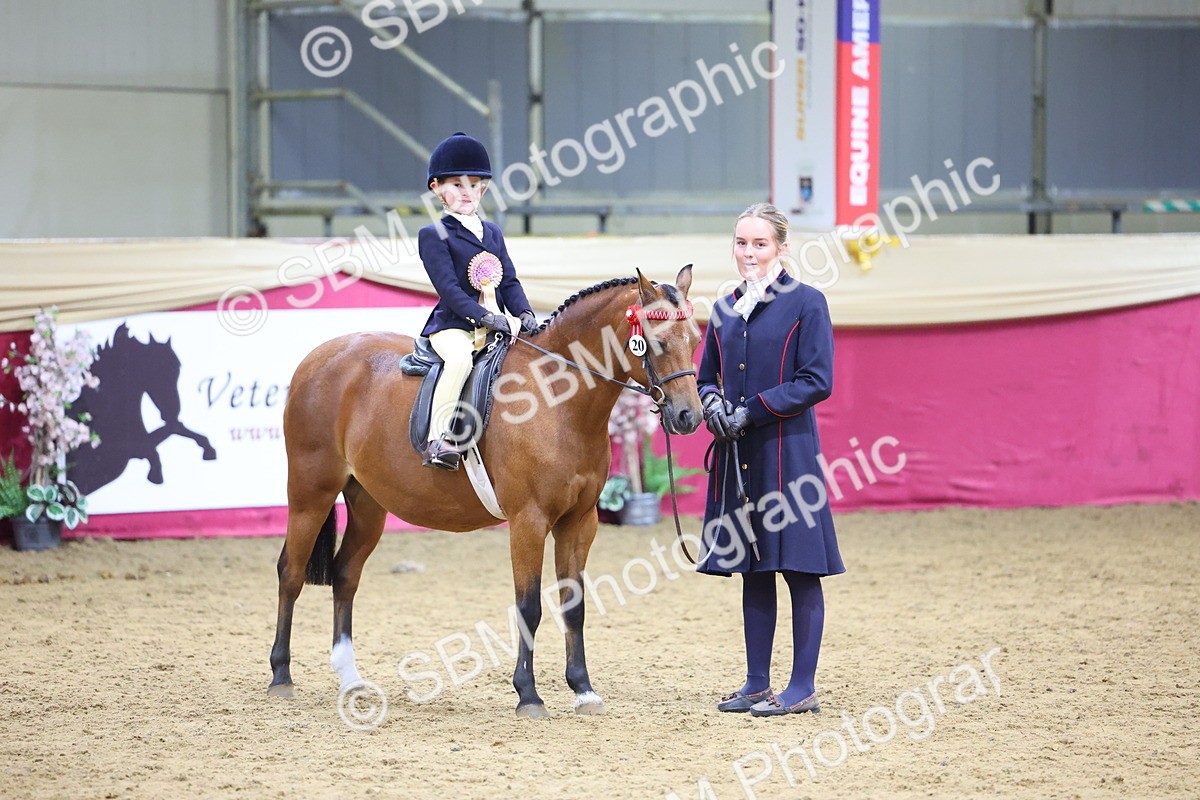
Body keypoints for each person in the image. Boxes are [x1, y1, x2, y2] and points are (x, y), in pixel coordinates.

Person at [697, 202, 845, 717]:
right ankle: (756, 682)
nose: (749, 253)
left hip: (788, 454)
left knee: (800, 570)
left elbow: (815, 381)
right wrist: (713, 404)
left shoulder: (807, 303)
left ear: (781, 247)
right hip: (740, 458)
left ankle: (801, 686)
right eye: (741, 243)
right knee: (752, 569)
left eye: (759, 243)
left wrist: (752, 412)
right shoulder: (722, 309)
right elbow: (705, 378)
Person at [417, 132, 538, 471]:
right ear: (437, 189)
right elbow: (450, 291)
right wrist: (485, 317)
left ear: (484, 188)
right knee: (459, 363)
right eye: (456, 185)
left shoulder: (493, 233)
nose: (466, 192)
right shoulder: (433, 235)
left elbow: (509, 281)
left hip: (498, 324)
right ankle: (438, 439)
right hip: (454, 327)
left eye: (474, 185)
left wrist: (524, 312)